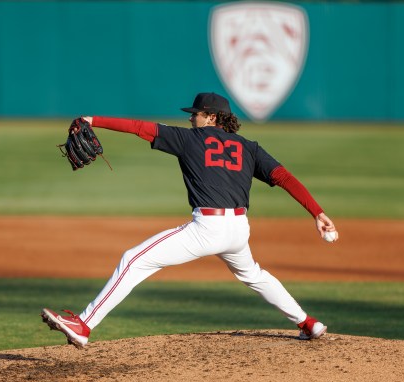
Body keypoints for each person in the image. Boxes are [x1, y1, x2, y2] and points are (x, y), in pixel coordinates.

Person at [42, 92, 338, 348]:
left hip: (208, 228)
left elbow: (137, 127)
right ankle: (308, 323)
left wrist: (92, 119)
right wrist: (317, 212)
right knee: (254, 275)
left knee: (134, 260)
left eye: (195, 114)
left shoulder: (189, 139)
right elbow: (283, 177)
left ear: (211, 117)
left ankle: (83, 325)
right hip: (238, 230)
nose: (191, 119)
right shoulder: (249, 147)